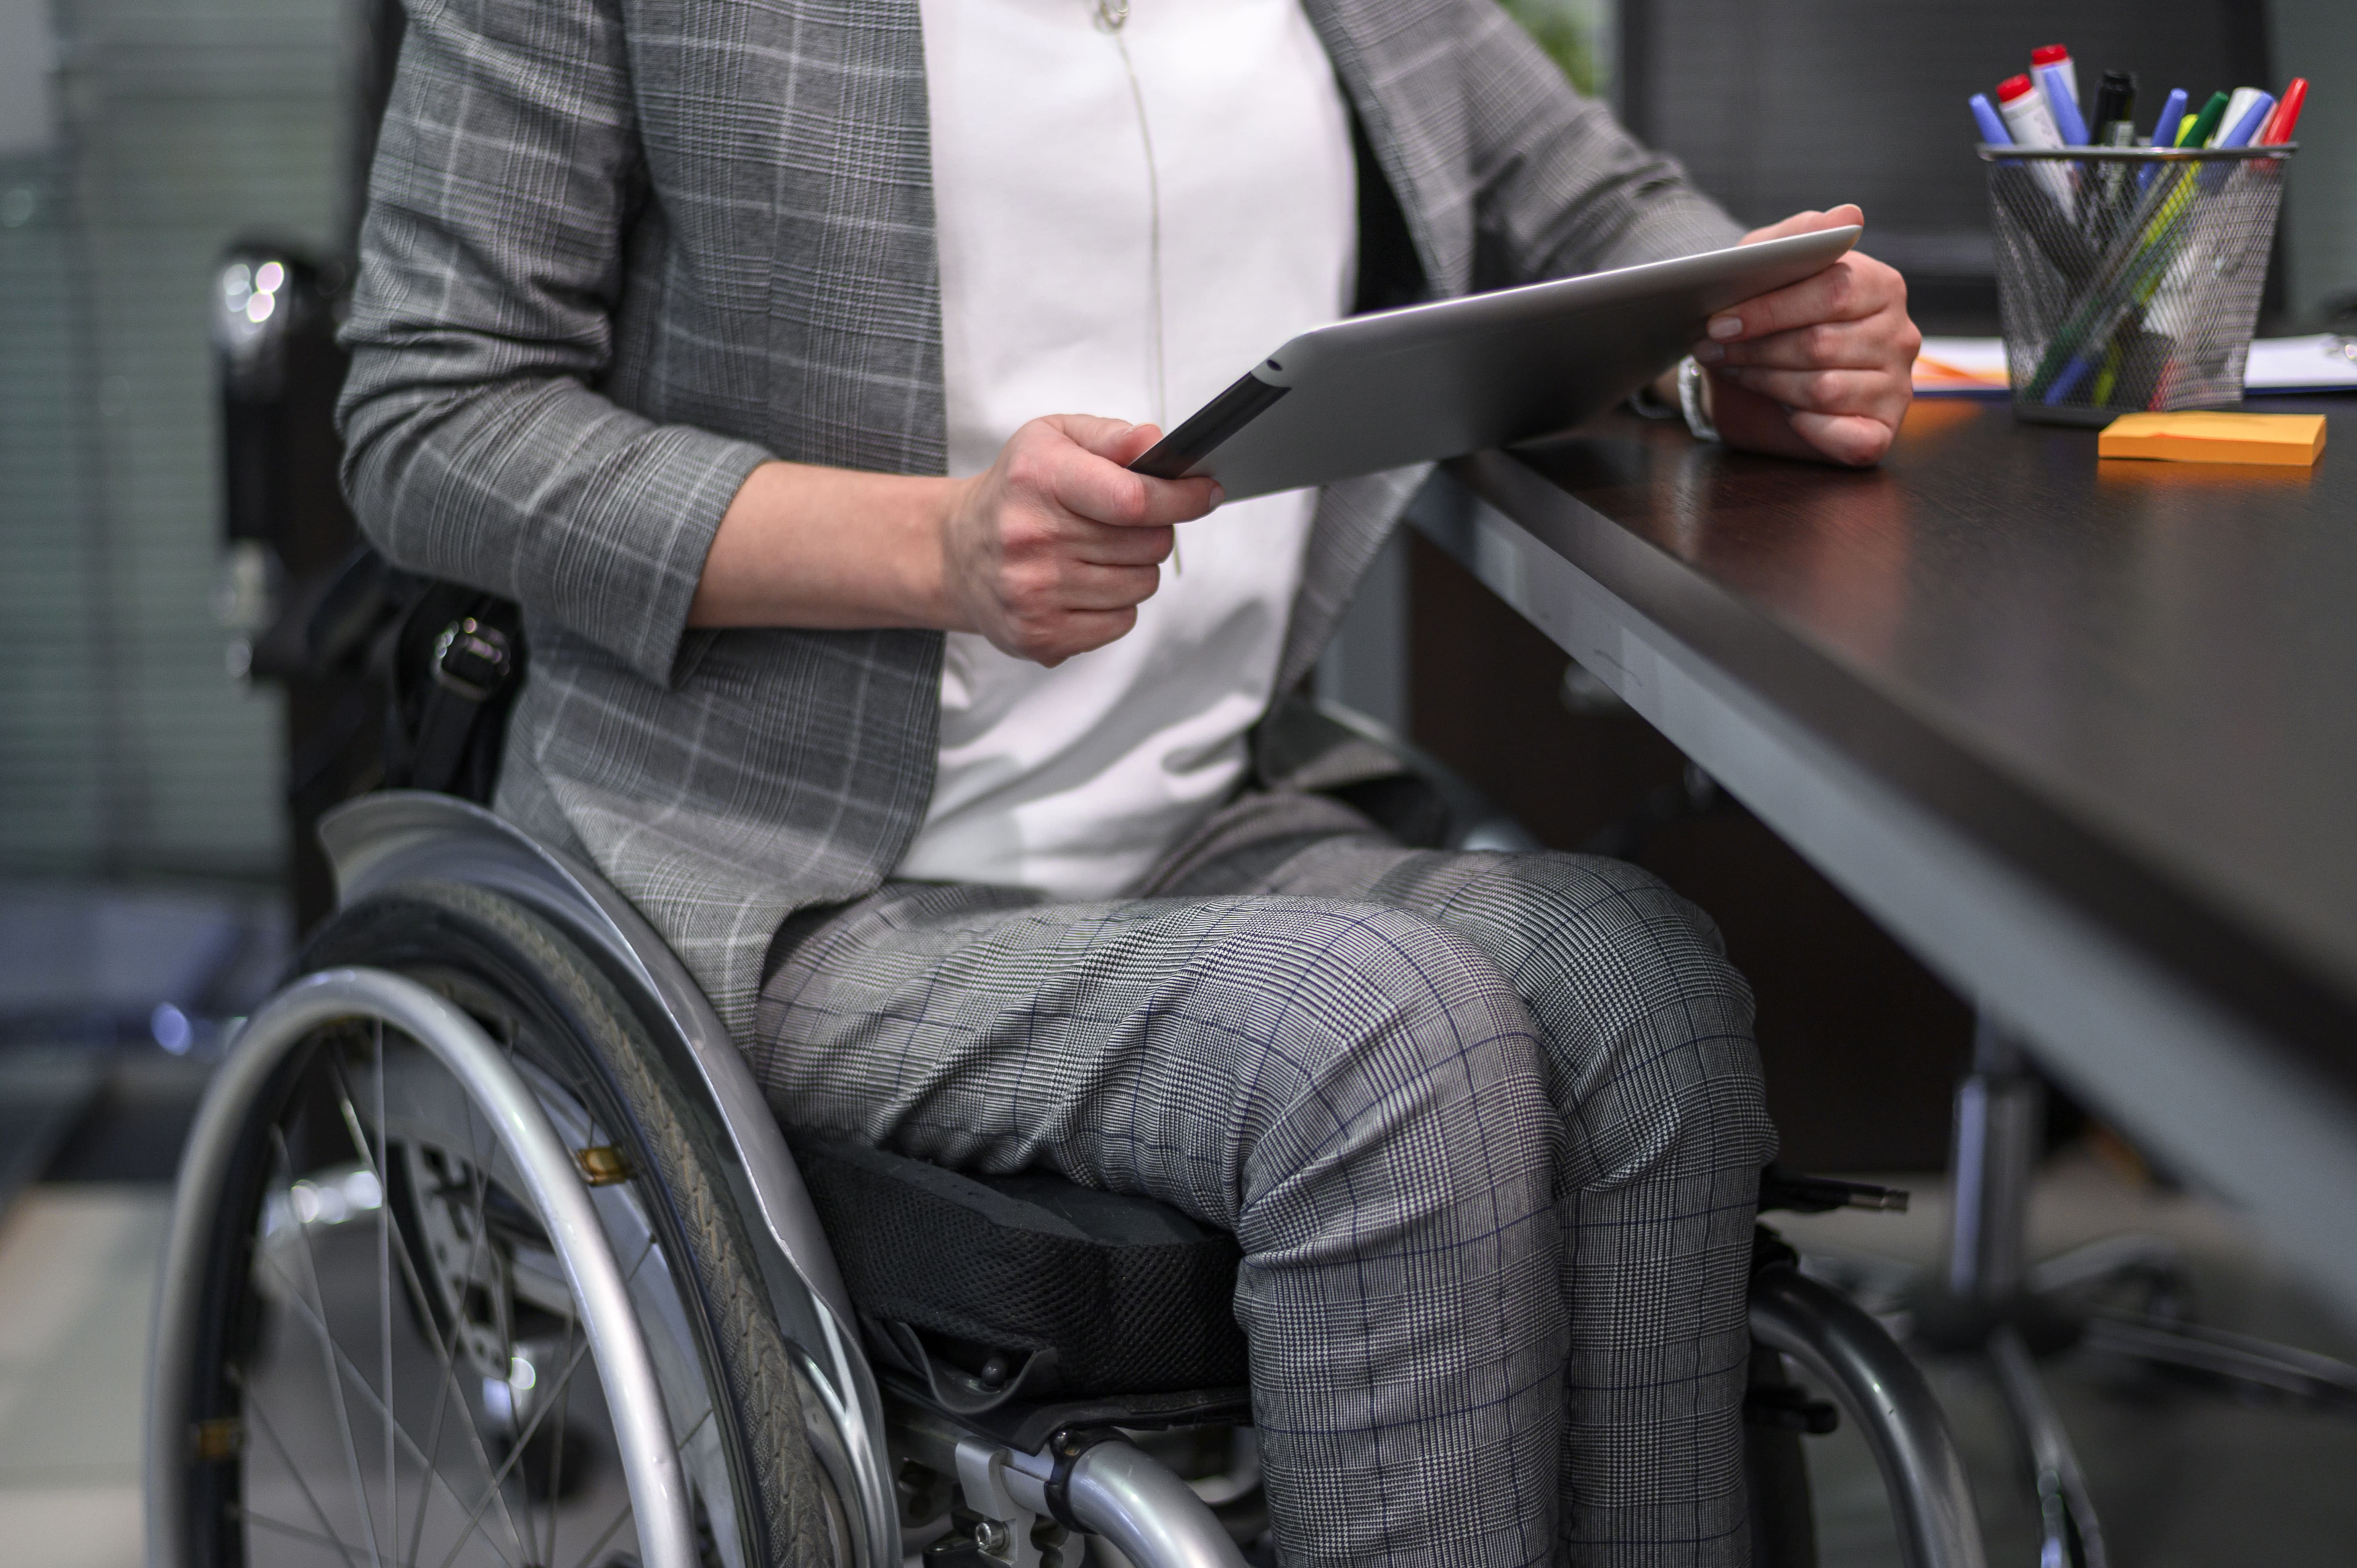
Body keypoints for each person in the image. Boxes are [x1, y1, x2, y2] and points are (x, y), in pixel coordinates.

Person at [337, 0, 1918, 1561]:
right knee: (1377, 1040)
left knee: (1638, 994)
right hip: (783, 870)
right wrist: (933, 549)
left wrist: (1749, 344)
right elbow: (433, 418)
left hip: (1197, 817)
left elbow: (1599, 210)